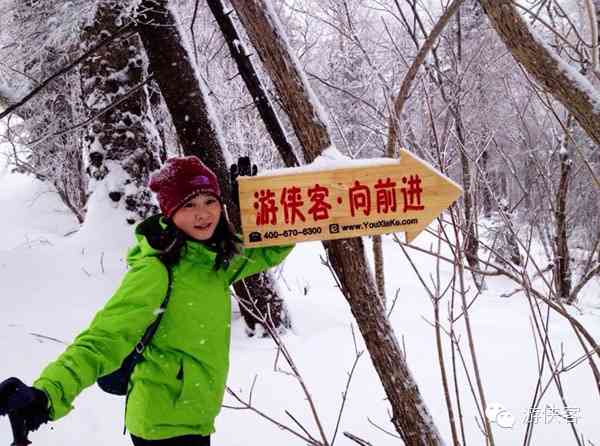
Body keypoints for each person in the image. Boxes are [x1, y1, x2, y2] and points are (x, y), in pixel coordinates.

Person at [0, 156, 294, 445]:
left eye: (210, 201)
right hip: (163, 426)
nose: (203, 214)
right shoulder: (157, 272)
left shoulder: (213, 261)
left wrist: (256, 205)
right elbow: (103, 338)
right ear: (170, 212)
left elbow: (270, 250)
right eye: (189, 204)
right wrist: (47, 393)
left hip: (196, 416)